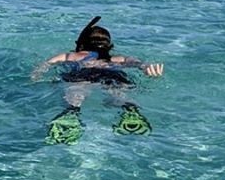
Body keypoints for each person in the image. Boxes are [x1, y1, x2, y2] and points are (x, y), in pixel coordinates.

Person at [31, 16, 164, 145]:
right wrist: (146, 66)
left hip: (83, 75)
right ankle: (130, 110)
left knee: (76, 92)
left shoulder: (70, 56)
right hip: (112, 74)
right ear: (109, 46)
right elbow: (136, 62)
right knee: (118, 93)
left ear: (82, 44)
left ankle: (71, 113)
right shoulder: (116, 59)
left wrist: (36, 77)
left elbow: (45, 65)